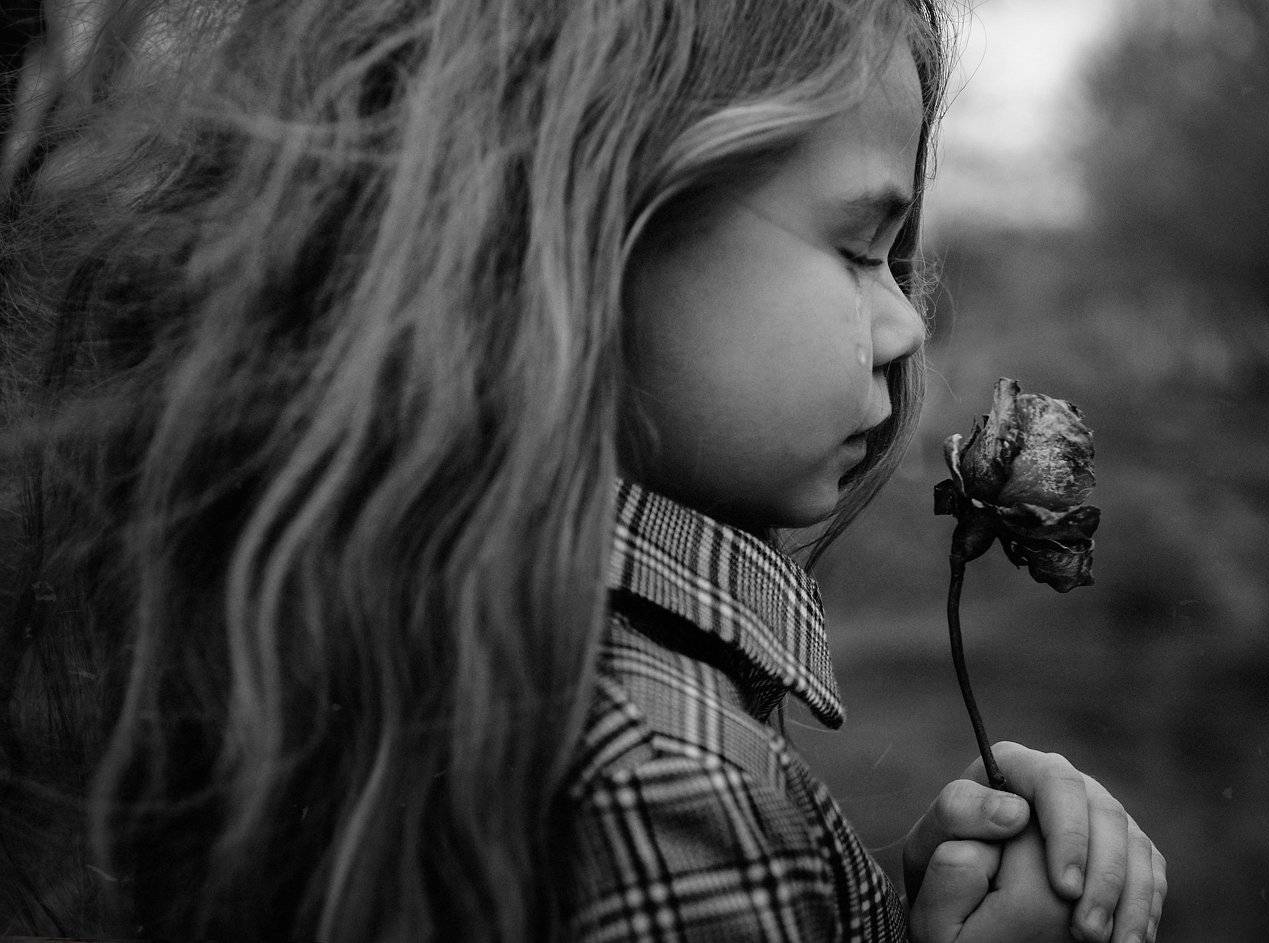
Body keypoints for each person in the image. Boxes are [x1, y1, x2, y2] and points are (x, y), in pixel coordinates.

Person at [0, 0, 1166, 939]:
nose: (907, 323)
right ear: (595, 233)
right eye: (861, 247)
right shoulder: (666, 787)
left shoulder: (442, 633)